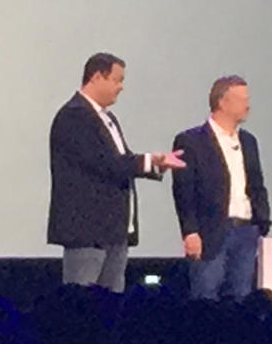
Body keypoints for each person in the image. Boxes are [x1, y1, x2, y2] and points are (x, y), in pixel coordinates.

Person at [46, 52, 184, 292]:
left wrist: (154, 164)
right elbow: (105, 163)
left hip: (113, 233)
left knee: (111, 308)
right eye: (117, 80)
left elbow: (120, 162)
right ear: (97, 77)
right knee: (83, 305)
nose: (121, 87)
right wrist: (149, 161)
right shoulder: (74, 116)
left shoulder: (107, 118)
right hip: (88, 233)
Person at [171, 75, 271, 301]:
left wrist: (262, 221)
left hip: (246, 230)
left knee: (241, 297)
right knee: (206, 295)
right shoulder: (192, 141)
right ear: (222, 102)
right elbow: (184, 190)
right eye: (242, 99)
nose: (248, 105)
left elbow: (256, 184)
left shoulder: (248, 141)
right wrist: (190, 231)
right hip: (211, 231)